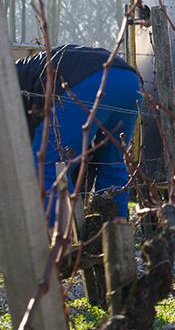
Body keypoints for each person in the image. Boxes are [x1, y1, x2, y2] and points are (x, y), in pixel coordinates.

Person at [17, 44, 142, 220]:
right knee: (111, 161)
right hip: (130, 80)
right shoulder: (23, 69)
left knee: (47, 162)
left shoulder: (9, 80)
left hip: (89, 82)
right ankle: (117, 229)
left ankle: (56, 232)